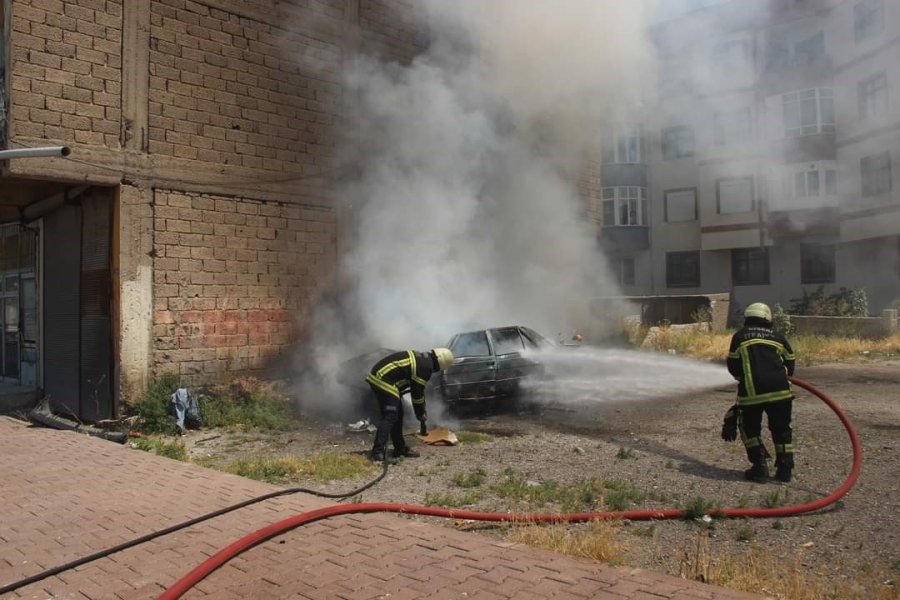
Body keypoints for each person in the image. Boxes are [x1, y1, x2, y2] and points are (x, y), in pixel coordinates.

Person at [725, 302, 796, 483]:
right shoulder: (778, 337)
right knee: (782, 430)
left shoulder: (740, 336)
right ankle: (785, 470)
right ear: (768, 318)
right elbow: (790, 362)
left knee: (749, 429)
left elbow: (733, 365)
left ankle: (759, 466)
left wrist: (741, 377)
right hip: (781, 393)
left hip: (752, 394)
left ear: (747, 318)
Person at [365, 347, 454, 463]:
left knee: (398, 414)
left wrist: (420, 410)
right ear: (441, 364)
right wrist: (420, 413)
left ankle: (399, 449)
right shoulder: (425, 367)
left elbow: (416, 389)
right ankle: (377, 453)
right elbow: (417, 394)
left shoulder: (424, 360)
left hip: (382, 377)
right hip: (383, 379)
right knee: (391, 415)